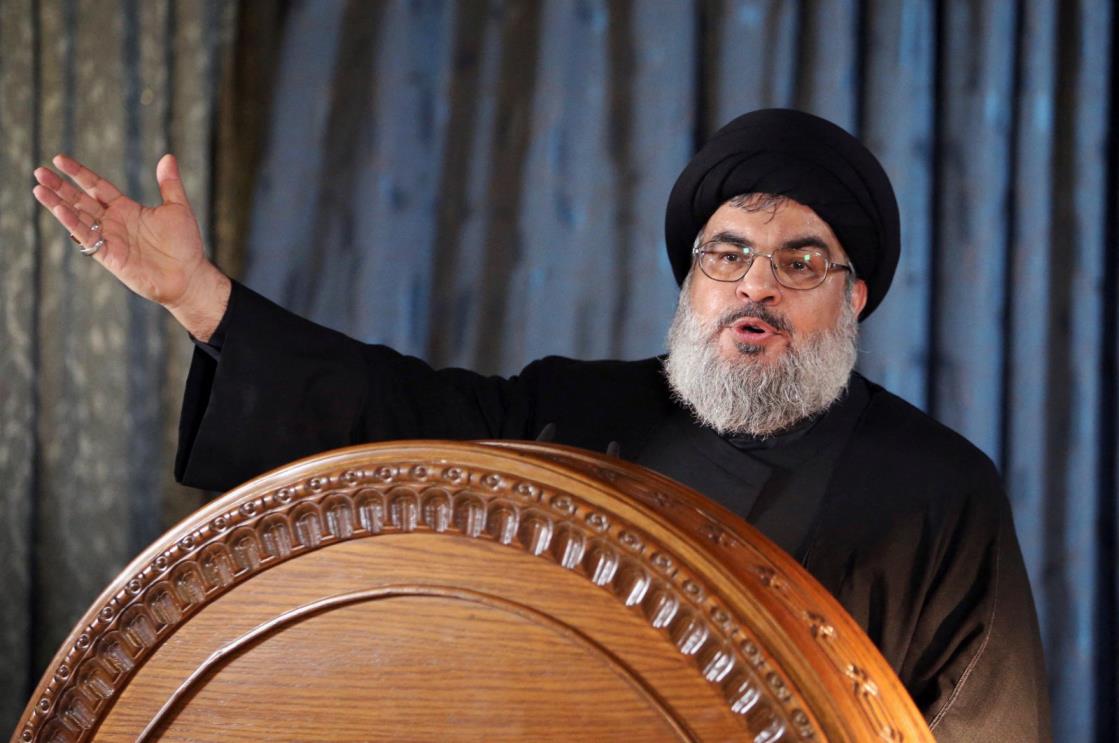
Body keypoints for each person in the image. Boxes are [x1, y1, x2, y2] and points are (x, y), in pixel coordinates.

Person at [32, 108, 1050, 741]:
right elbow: (391, 417)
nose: (757, 286)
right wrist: (201, 297)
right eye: (727, 254)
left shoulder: (939, 489)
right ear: (691, 283)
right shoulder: (576, 412)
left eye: (801, 261)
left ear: (856, 295)